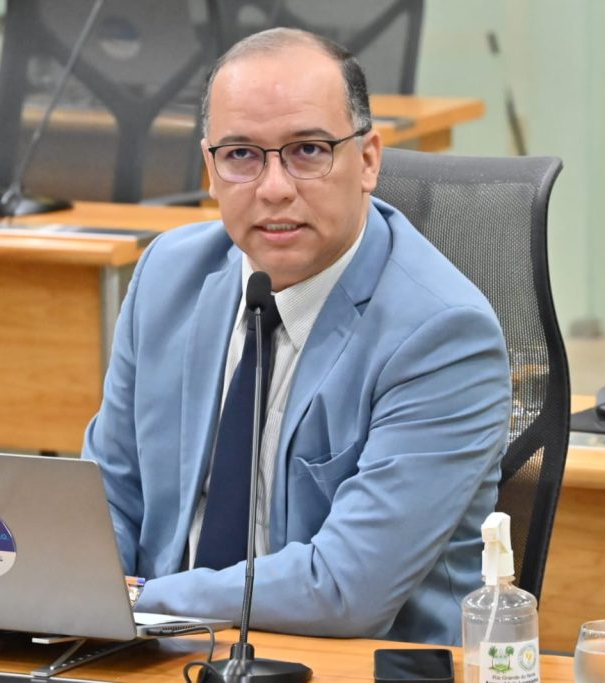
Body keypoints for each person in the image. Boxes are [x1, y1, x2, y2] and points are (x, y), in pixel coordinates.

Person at [81, 27, 511, 645]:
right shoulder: (167, 276)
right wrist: (75, 584)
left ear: (368, 160)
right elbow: (110, 493)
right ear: (210, 169)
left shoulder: (442, 335)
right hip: (155, 654)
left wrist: (143, 598)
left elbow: (347, 588)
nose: (274, 187)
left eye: (308, 150)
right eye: (241, 155)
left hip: (342, 661)